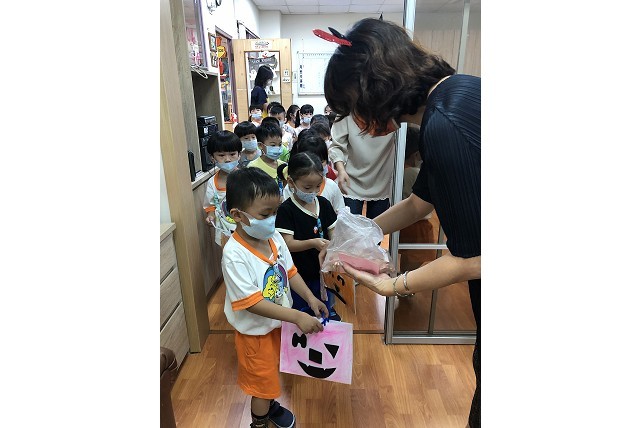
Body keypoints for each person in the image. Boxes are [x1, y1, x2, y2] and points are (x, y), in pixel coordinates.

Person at [321, 18, 481, 428]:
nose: (358, 120)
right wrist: (358, 234)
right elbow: (419, 203)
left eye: (354, 107)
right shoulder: (458, 91)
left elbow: (474, 260)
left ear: (374, 88)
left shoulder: (444, 126)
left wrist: (391, 286)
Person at [222, 167, 329, 428]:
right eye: (264, 214)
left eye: (275, 212)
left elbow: (290, 272)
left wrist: (310, 297)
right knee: (262, 385)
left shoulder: (274, 238)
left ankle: (269, 407)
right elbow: (252, 303)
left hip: (277, 327)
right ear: (238, 215)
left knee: (271, 375)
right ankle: (259, 422)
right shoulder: (234, 255)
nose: (271, 220)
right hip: (255, 335)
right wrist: (296, 316)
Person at [275, 152, 340, 321]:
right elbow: (287, 243)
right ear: (291, 182)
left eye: (318, 186)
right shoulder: (286, 210)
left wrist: (334, 247)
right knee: (302, 315)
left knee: (323, 312)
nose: (314, 192)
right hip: (298, 276)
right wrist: (313, 243)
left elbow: (334, 233)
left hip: (323, 274)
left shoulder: (324, 204)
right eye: (307, 188)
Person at [329, 113, 395, 219]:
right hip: (350, 179)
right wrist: (341, 170)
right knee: (350, 226)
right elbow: (337, 145)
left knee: (377, 226)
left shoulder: (392, 109)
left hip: (383, 178)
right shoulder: (346, 110)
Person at [285, 133, 345, 213]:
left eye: (321, 161)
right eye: (307, 188)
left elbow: (340, 213)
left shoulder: (331, 187)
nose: (316, 166)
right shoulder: (290, 189)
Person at [202, 130, 241, 247]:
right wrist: (210, 216)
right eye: (221, 155)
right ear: (212, 158)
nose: (227, 159)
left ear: (239, 154)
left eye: (232, 154)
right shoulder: (212, 183)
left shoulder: (246, 178)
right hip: (224, 231)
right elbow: (211, 205)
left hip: (246, 229)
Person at [247, 121, 287, 197]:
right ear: (260, 145)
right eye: (273, 145)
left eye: (280, 144)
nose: (278, 148)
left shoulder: (283, 166)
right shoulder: (253, 167)